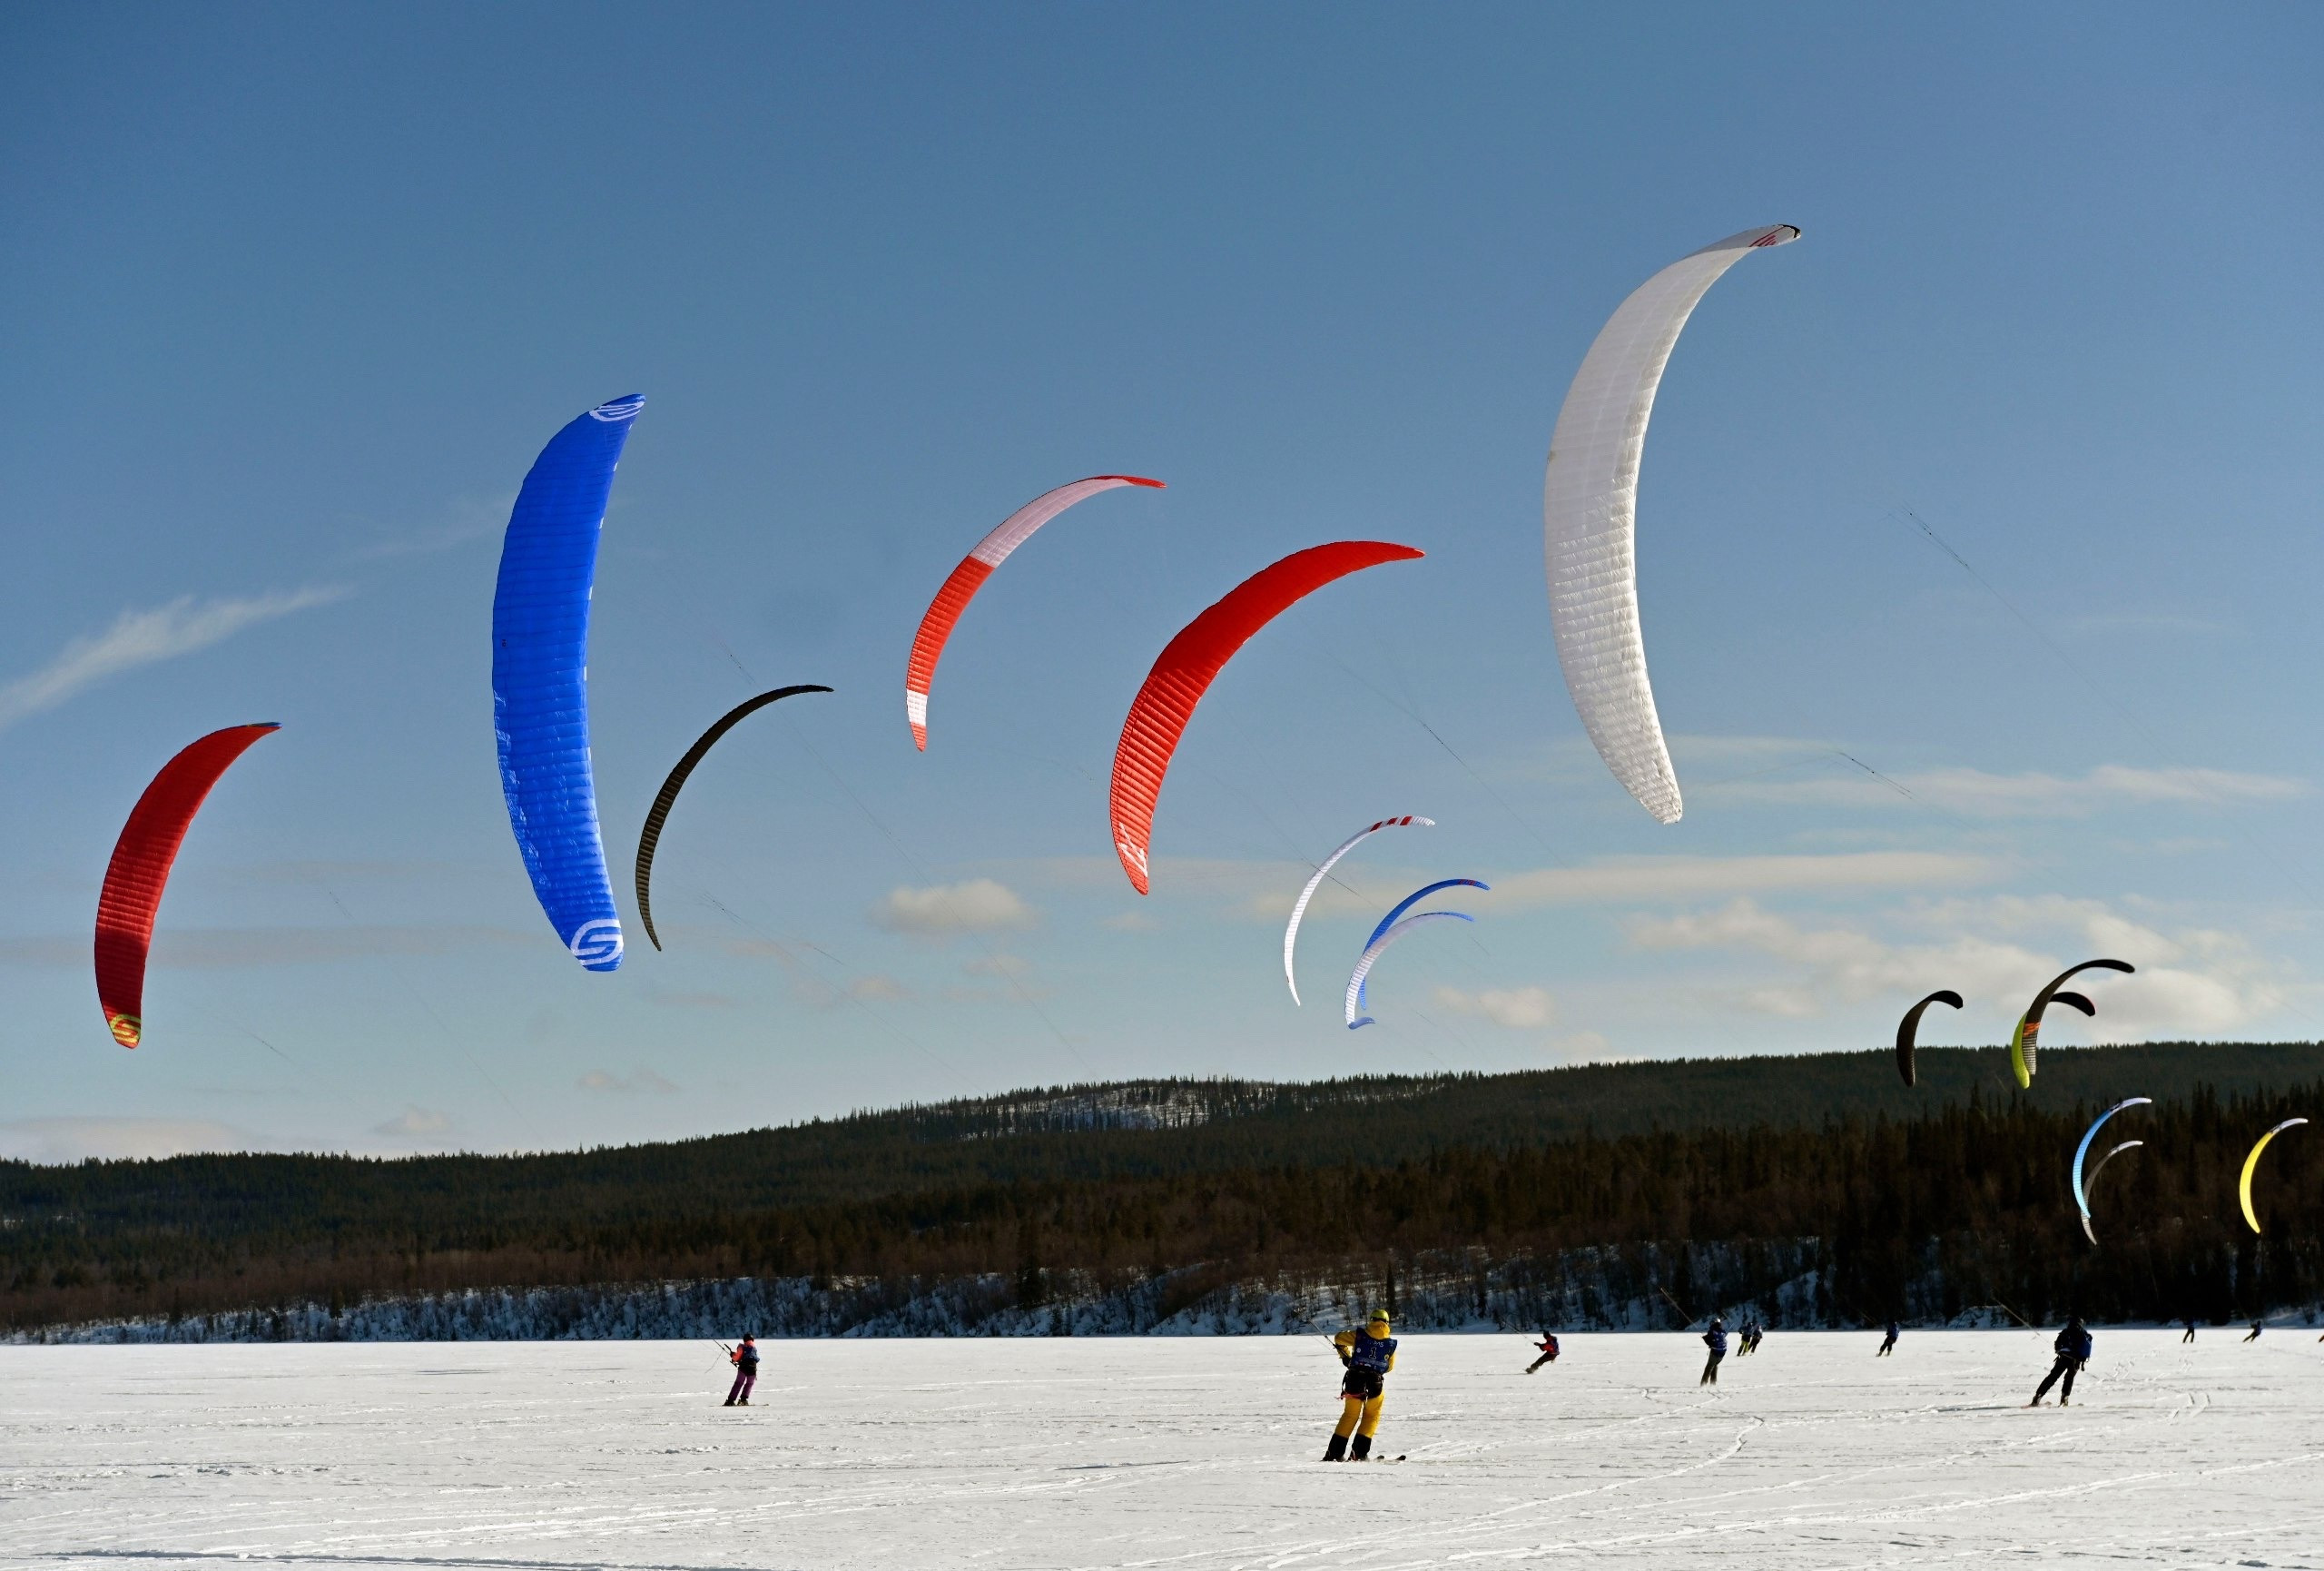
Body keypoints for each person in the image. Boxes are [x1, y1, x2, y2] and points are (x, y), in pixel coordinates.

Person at [1324, 1311, 1398, 1461]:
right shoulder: (1390, 1344)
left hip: (1354, 1381)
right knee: (1371, 1417)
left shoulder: (1359, 1335)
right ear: (1387, 1323)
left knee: (1350, 1415)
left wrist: (1346, 1357)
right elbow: (1389, 1367)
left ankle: (1334, 1453)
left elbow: (1339, 1338)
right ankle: (1359, 1454)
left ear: (1371, 1321)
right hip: (1375, 1384)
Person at [2029, 1317, 2093, 1407]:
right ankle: (2064, 1398)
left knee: (2052, 1377)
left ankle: (2038, 1396)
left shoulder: (2065, 1332)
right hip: (2076, 1361)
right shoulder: (2084, 1334)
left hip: (2063, 1359)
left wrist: (2059, 1350)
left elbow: (2057, 1345)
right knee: (2069, 1379)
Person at [724, 1335, 759, 1407]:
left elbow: (736, 1358)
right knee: (749, 1384)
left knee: (738, 1383)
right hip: (753, 1369)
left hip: (743, 1368)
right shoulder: (754, 1348)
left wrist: (733, 1355)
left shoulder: (741, 1346)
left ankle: (730, 1401)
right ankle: (744, 1400)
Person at [1700, 1317, 1728, 1386]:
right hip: (1723, 1352)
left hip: (1715, 1351)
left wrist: (1705, 1338)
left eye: (1712, 1322)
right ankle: (1713, 1382)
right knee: (1715, 1365)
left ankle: (1703, 1384)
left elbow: (1710, 1342)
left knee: (1709, 1367)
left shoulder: (1712, 1330)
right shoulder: (1723, 1331)